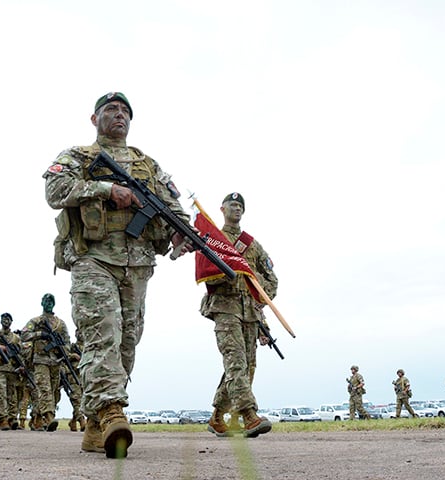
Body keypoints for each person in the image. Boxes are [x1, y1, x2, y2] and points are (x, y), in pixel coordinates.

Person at [43, 91, 192, 458]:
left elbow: (174, 207)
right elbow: (54, 188)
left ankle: (96, 423)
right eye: (110, 109)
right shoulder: (78, 156)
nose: (119, 115)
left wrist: (180, 232)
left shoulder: (148, 165)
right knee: (102, 335)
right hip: (93, 259)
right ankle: (112, 411)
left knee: (127, 343)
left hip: (138, 263)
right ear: (94, 119)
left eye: (125, 110)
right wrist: (107, 189)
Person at [201, 193, 277, 438]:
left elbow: (271, 280)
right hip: (225, 309)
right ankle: (248, 415)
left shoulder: (253, 245)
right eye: (232, 205)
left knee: (245, 367)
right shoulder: (214, 238)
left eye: (240, 206)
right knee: (236, 363)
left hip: (250, 314)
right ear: (222, 209)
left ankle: (216, 416)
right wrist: (227, 274)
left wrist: (259, 297)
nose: (237, 208)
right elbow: (205, 272)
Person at [20, 293, 71, 432]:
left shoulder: (60, 324)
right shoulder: (36, 321)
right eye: (46, 301)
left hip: (56, 361)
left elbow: (67, 342)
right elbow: (24, 335)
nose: (49, 303)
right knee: (44, 389)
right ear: (42, 303)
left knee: (54, 391)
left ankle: (37, 418)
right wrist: (40, 334)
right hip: (40, 360)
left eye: (51, 301)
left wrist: (63, 351)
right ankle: (49, 418)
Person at [0, 313, 22, 430]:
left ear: (11, 322)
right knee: (1, 394)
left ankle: (12, 418)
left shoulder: (16, 338)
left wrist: (21, 366)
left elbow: (21, 353)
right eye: (3, 319)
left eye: (8, 319)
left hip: (12, 370)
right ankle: (2, 419)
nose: (6, 321)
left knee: (12, 396)